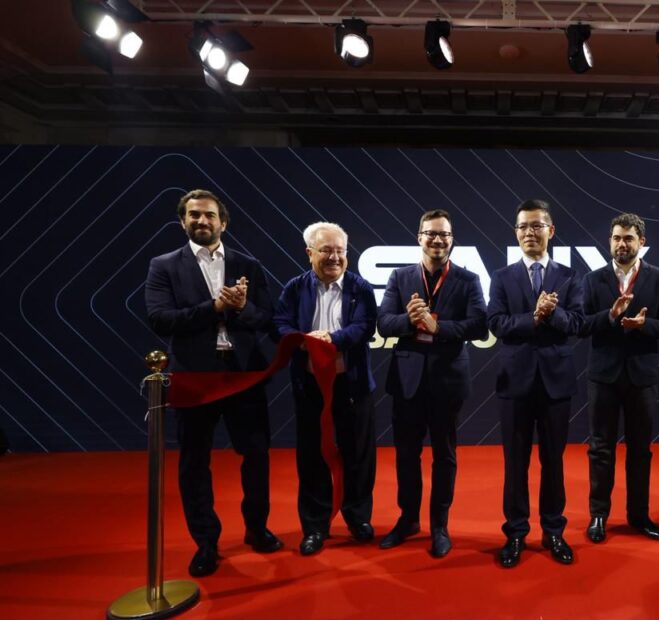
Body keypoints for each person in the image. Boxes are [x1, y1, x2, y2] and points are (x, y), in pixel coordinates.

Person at [145, 188, 282, 577]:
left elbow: (267, 320)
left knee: (256, 455)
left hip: (243, 374)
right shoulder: (164, 266)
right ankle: (206, 542)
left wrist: (240, 308)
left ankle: (257, 529)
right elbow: (160, 319)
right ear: (182, 221)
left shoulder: (248, 264)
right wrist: (215, 308)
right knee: (194, 462)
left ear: (224, 222)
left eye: (209, 215)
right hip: (194, 376)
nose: (201, 221)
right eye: (194, 215)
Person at [376, 209, 487, 558]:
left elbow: (479, 326)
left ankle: (440, 525)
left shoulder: (468, 280)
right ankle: (408, 519)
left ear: (452, 240)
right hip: (407, 379)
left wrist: (439, 328)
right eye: (431, 233)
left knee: (445, 455)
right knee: (407, 454)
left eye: (444, 234)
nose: (437, 240)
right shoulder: (399, 277)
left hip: (447, 379)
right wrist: (409, 321)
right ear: (419, 237)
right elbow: (383, 323)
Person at [487, 199, 584, 568]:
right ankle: (515, 532)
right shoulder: (502, 277)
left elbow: (577, 323)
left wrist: (552, 313)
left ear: (550, 230)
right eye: (523, 226)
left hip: (556, 382)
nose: (530, 232)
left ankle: (553, 530)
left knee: (553, 461)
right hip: (515, 382)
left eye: (537, 225)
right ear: (516, 233)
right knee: (515, 463)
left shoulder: (570, 276)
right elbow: (496, 324)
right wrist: (534, 317)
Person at [273, 222, 378, 556]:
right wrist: (303, 340)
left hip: (353, 385)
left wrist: (332, 339)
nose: (334, 257)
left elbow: (365, 327)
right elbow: (280, 324)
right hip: (310, 386)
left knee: (359, 454)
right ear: (310, 253)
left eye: (340, 251)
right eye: (326, 250)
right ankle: (315, 526)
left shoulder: (361, 288)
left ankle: (358, 518)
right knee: (312, 456)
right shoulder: (294, 288)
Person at [581, 213, 659, 543]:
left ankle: (639, 516)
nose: (621, 244)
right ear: (609, 241)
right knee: (600, 450)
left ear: (642, 242)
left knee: (640, 450)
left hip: (642, 377)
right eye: (616, 238)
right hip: (603, 377)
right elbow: (582, 325)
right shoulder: (592, 279)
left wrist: (643, 325)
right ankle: (598, 516)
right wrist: (610, 316)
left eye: (628, 238)